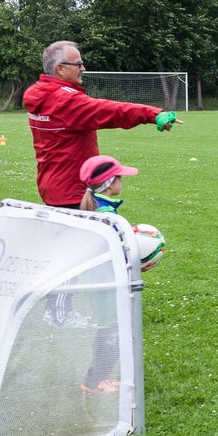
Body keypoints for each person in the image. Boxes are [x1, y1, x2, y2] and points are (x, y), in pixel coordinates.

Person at [24, 41, 181, 209]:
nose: (83, 68)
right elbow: (112, 111)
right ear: (61, 69)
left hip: (51, 186)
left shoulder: (40, 93)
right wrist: (154, 114)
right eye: (78, 64)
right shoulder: (66, 101)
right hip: (72, 191)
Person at [74, 154, 149, 393]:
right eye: (119, 178)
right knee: (112, 330)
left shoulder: (95, 206)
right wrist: (140, 263)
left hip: (99, 278)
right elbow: (115, 252)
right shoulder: (109, 216)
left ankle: (94, 378)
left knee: (110, 327)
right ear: (109, 183)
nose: (122, 181)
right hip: (105, 281)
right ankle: (96, 381)